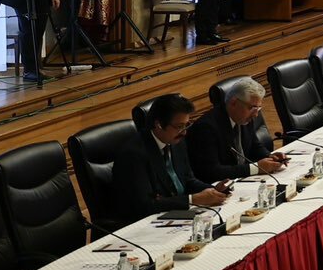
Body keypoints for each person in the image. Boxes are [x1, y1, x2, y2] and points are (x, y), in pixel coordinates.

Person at [111, 93, 229, 223]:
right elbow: (145, 205)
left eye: (186, 125)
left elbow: (187, 179)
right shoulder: (133, 155)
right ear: (158, 125)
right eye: (179, 126)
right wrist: (192, 199)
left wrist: (212, 190)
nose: (184, 132)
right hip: (145, 223)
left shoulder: (176, 142)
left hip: (177, 215)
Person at [186, 77, 285, 185]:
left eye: (258, 109)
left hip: (243, 180)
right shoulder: (206, 127)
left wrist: (270, 156)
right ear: (234, 102)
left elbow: (254, 146)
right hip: (219, 187)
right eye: (252, 108)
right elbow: (212, 172)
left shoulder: (245, 118)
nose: (256, 115)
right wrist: (256, 168)